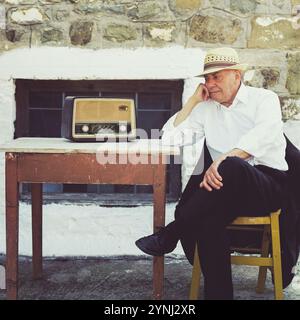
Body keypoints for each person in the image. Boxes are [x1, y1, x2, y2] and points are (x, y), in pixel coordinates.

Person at [135, 47, 290, 300]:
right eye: (206, 78)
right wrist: (193, 101)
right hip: (222, 191)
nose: (210, 83)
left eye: (216, 76)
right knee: (207, 221)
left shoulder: (264, 99)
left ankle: (173, 231)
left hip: (266, 187)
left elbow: (261, 136)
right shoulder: (206, 108)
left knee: (231, 166)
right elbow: (169, 138)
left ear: (237, 76)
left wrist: (221, 160)